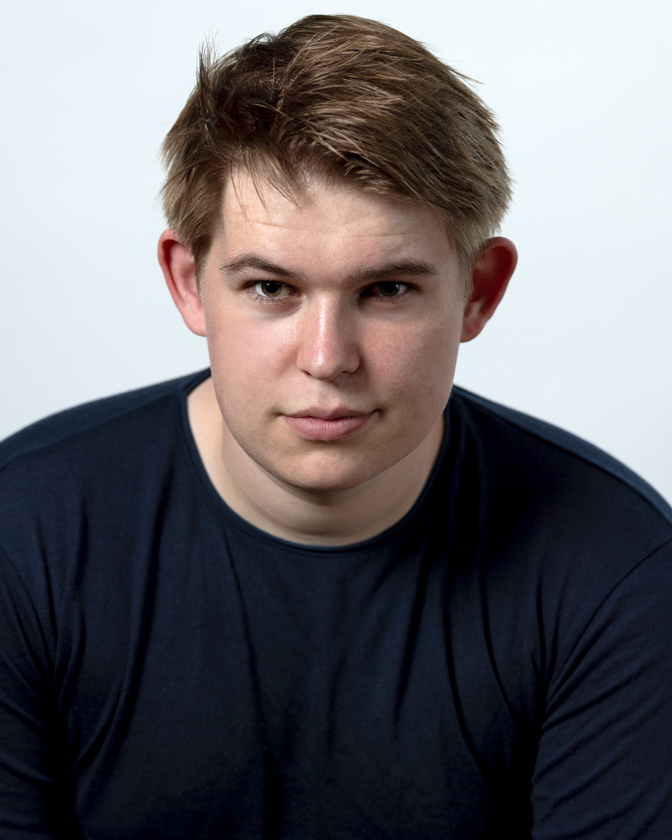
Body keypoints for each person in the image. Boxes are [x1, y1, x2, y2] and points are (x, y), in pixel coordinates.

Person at [1, 13, 671, 839]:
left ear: (477, 292)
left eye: (386, 290)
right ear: (188, 283)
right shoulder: (21, 539)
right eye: (271, 289)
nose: (327, 359)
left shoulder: (619, 568)